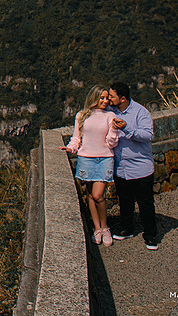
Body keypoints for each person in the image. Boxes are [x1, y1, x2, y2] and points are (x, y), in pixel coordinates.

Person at [61, 85, 119, 245]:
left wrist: (114, 130)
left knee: (98, 195)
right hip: (86, 158)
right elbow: (77, 138)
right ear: (94, 98)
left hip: (105, 159)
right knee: (91, 195)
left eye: (107, 98)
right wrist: (70, 148)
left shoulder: (110, 116)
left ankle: (105, 228)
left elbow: (112, 143)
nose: (105, 101)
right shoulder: (82, 115)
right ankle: (97, 228)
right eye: (102, 98)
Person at [108, 81, 159, 249]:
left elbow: (148, 135)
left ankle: (150, 235)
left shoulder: (140, 112)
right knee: (125, 201)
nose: (109, 99)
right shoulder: (111, 111)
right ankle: (126, 228)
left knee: (145, 203)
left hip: (140, 167)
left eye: (112, 96)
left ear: (122, 98)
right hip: (121, 167)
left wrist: (127, 128)